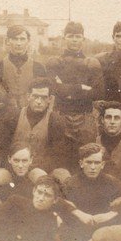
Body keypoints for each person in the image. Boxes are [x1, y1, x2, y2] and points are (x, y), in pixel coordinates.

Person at [45, 21, 104, 159]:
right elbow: (53, 88)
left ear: (83, 38)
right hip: (61, 114)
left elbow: (97, 92)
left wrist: (66, 90)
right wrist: (80, 88)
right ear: (64, 37)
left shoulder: (91, 63)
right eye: (70, 36)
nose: (74, 40)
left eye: (78, 36)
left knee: (86, 156)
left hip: (85, 115)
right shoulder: (55, 62)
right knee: (60, 156)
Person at [0, 77, 68, 173]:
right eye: (35, 96)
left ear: (50, 99)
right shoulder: (13, 117)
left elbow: (57, 155)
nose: (39, 101)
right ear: (28, 96)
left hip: (40, 170)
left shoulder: (55, 121)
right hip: (13, 168)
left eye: (43, 97)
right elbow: (0, 146)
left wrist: (37, 170)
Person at [0, 175, 78, 241]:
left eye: (47, 195)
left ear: (55, 200)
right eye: (39, 192)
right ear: (34, 190)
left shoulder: (51, 221)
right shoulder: (15, 202)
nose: (41, 198)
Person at [62, 143, 121, 241]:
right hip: (78, 232)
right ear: (81, 163)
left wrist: (110, 214)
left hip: (105, 230)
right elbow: (60, 203)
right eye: (89, 162)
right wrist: (79, 213)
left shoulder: (111, 182)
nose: (93, 167)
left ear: (102, 165)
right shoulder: (70, 183)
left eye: (97, 163)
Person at [0, 25, 48, 112]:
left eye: (22, 39)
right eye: (15, 39)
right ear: (7, 41)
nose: (19, 43)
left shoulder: (39, 67)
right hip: (4, 116)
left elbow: (45, 96)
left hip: (30, 116)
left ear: (28, 41)